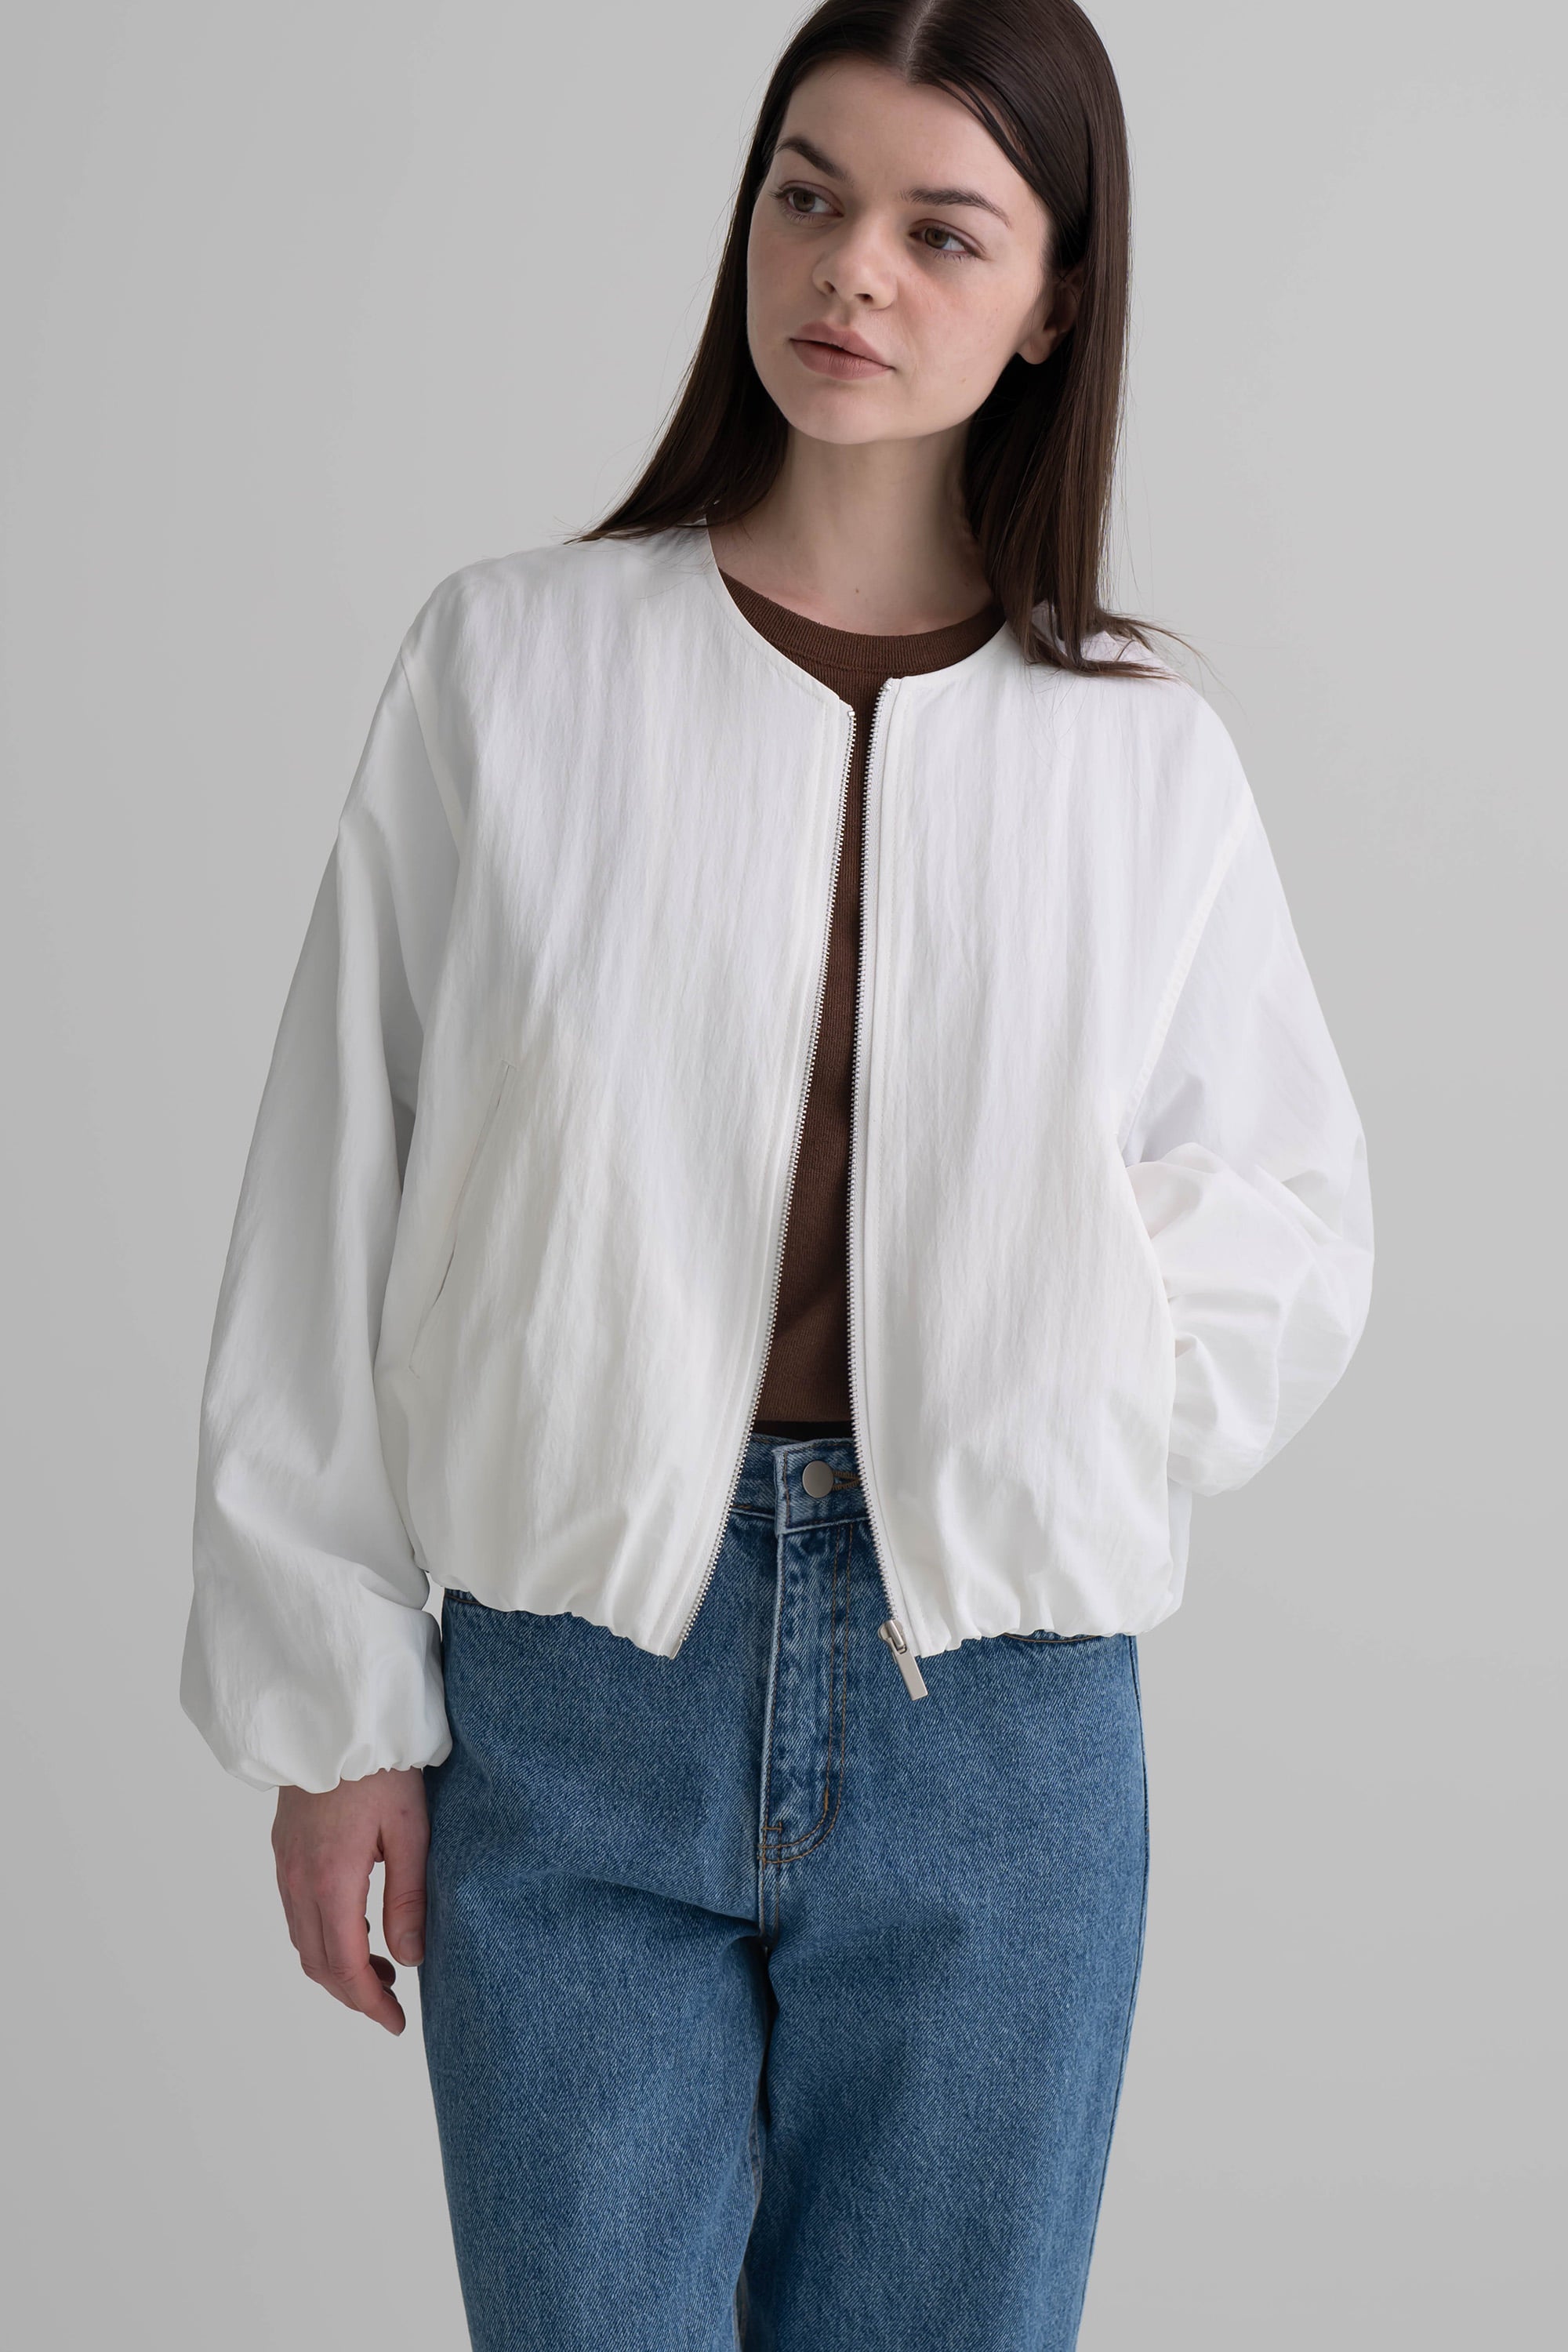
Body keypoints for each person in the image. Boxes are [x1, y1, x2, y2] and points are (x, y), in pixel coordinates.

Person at [180, 2, 1374, 2344]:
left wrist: (1043, 1358)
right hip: (570, 1692)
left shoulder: (1141, 755)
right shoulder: (512, 667)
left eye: (945, 230)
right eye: (809, 195)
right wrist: (333, 1715)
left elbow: (1293, 1235)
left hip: (996, 1725)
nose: (852, 271)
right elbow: (336, 1189)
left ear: (1056, 304)